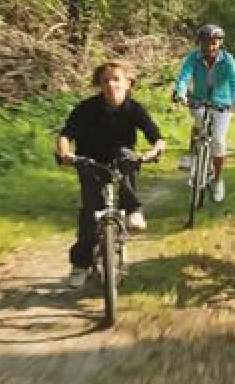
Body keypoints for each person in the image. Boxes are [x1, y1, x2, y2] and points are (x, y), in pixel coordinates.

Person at [56, 60, 167, 288]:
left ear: (128, 83)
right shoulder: (87, 108)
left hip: (119, 159)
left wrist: (154, 151)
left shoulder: (134, 109)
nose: (111, 85)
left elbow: (155, 135)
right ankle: (80, 265)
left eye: (116, 79)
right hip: (89, 160)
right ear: (98, 84)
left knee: (128, 158)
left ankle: (133, 209)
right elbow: (66, 134)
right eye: (105, 80)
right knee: (90, 214)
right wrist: (66, 153)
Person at [172, 24, 235, 203]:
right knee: (199, 128)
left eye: (214, 43)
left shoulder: (228, 59)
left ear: (219, 43)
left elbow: (234, 81)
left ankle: (217, 179)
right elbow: (184, 76)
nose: (210, 47)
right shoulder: (193, 57)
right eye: (206, 42)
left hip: (222, 103)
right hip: (199, 99)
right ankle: (195, 157)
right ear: (200, 43)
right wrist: (180, 93)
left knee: (218, 141)